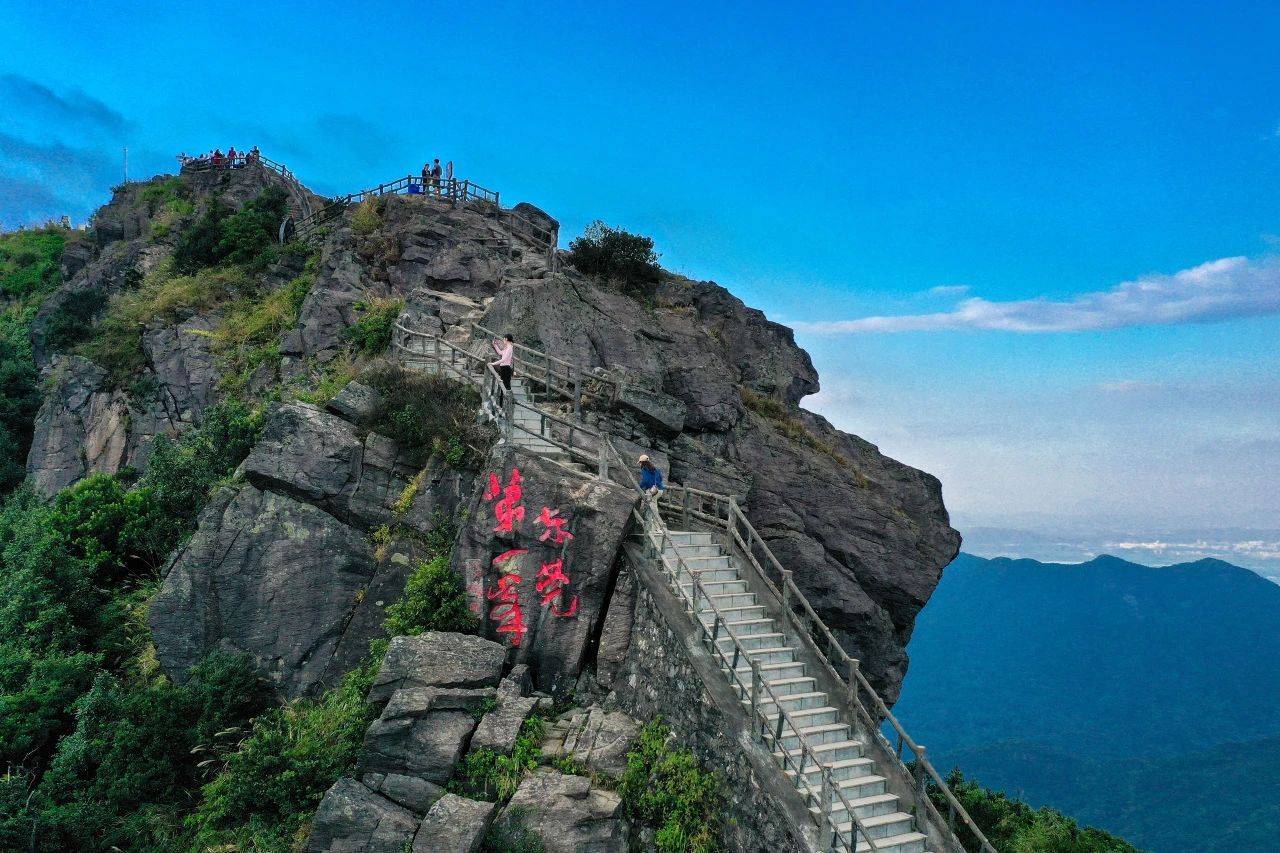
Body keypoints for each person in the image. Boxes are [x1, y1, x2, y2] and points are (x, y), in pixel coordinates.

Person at [490, 334, 515, 402]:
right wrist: (495, 345)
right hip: (503, 368)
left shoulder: (509, 348)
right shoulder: (507, 347)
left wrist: (493, 364)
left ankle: (506, 403)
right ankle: (502, 403)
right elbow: (500, 353)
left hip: (506, 368)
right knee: (503, 385)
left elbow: (503, 359)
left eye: (503, 339)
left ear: (506, 339)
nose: (503, 340)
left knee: (506, 386)